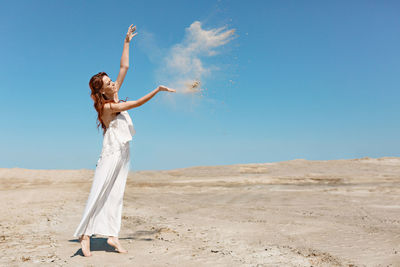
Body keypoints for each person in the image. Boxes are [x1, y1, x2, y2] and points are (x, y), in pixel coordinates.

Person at [73, 24, 176, 257]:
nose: (113, 83)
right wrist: (157, 89)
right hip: (111, 152)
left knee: (116, 193)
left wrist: (127, 41)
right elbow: (137, 103)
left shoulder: (114, 94)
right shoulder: (108, 107)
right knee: (99, 191)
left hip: (124, 151)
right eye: (109, 83)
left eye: (111, 80)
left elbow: (124, 66)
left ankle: (112, 236)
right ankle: (85, 235)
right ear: (102, 92)